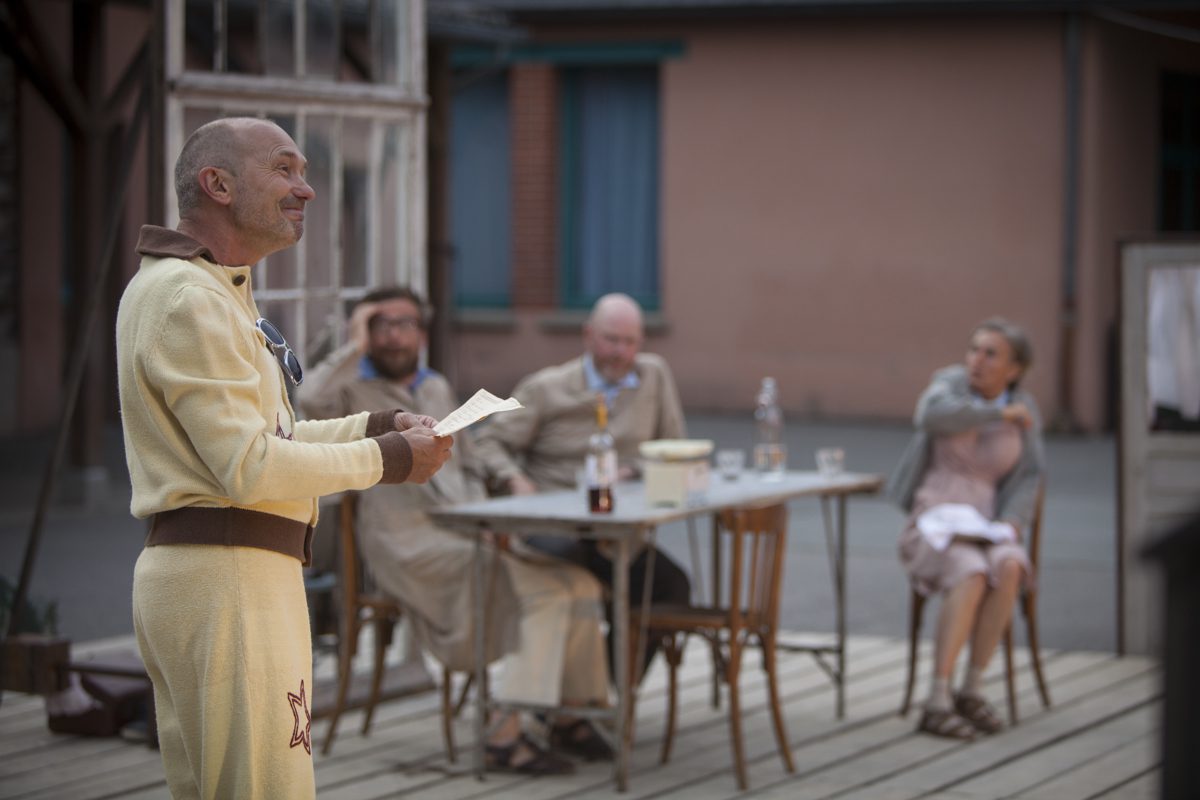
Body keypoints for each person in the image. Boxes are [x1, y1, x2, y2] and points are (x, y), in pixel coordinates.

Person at [115, 117, 454, 799]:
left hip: (224, 576)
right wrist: (389, 458)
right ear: (218, 185)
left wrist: (381, 425)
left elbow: (274, 440)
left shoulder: (204, 290)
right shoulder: (191, 297)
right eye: (284, 169)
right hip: (228, 582)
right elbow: (250, 467)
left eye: (303, 172)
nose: (307, 190)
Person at [297, 286, 613, 773]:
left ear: (422, 334)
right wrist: (353, 344)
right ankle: (504, 734)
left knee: (580, 584)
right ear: (365, 333)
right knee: (546, 592)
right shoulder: (349, 390)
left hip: (467, 531)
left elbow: (465, 466)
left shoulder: (436, 387)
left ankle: (571, 714)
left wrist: (490, 517)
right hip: (408, 542)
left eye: (405, 324)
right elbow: (309, 399)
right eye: (381, 325)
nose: (394, 335)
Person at [472, 292, 692, 680]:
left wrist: (631, 470)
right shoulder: (547, 388)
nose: (620, 352)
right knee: (576, 571)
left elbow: (675, 449)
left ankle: (609, 689)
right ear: (588, 335)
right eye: (611, 340)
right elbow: (486, 442)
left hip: (616, 531)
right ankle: (566, 692)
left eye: (630, 342)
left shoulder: (653, 376)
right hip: (556, 525)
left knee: (670, 587)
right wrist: (514, 478)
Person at [886, 317, 1045, 740]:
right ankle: (936, 700)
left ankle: (971, 689)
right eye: (974, 349)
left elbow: (1031, 474)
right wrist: (997, 413)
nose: (977, 360)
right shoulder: (950, 385)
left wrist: (1013, 521)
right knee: (970, 571)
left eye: (991, 354)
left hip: (987, 519)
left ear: (1014, 368)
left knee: (1010, 565)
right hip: (935, 515)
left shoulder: (1025, 408)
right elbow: (930, 416)